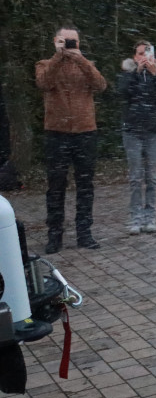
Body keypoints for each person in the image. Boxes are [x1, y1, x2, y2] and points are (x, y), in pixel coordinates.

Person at [35, 24, 108, 253]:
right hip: (56, 133)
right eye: (64, 41)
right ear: (55, 41)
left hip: (85, 132)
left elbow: (100, 85)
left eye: (72, 42)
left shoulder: (87, 66)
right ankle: (54, 235)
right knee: (56, 186)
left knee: (85, 186)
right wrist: (58, 57)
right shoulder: (45, 65)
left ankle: (84, 233)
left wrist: (81, 59)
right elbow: (44, 83)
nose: (68, 46)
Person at [117, 40, 156, 234]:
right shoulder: (127, 74)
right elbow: (123, 92)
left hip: (154, 132)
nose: (144, 57)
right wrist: (136, 73)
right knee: (135, 177)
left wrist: (155, 75)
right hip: (133, 132)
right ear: (134, 57)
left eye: (147, 53)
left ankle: (150, 217)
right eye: (140, 53)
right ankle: (135, 219)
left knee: (152, 177)